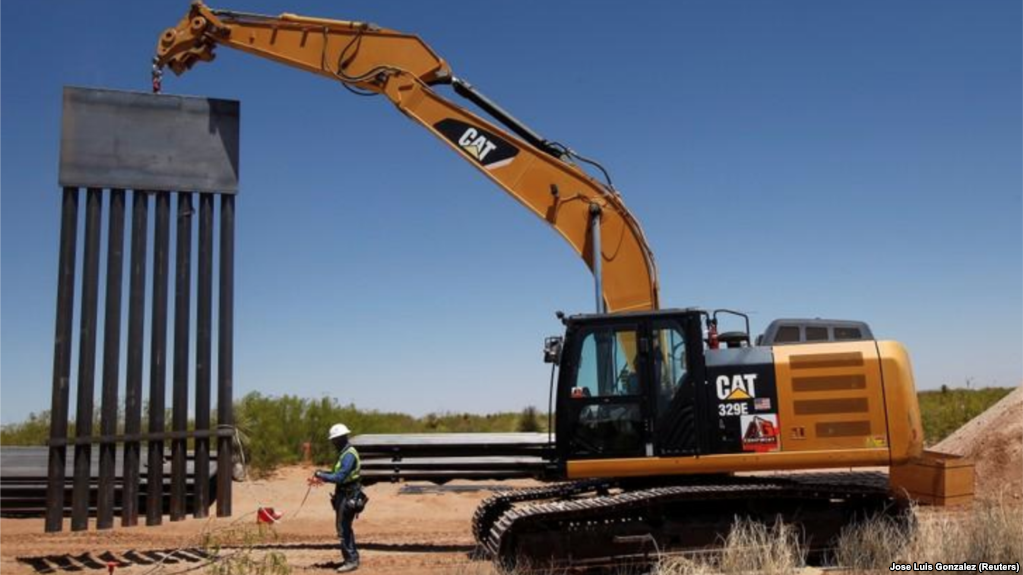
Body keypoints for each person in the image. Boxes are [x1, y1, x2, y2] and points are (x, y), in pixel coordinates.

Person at [312, 423, 363, 573]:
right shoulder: (345, 453)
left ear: (340, 439)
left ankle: (351, 560)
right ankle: (352, 558)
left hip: (348, 496)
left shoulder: (348, 455)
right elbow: (337, 474)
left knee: (343, 528)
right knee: (344, 527)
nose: (333, 443)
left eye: (334, 440)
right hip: (345, 494)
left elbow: (340, 477)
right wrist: (323, 474)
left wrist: (322, 476)